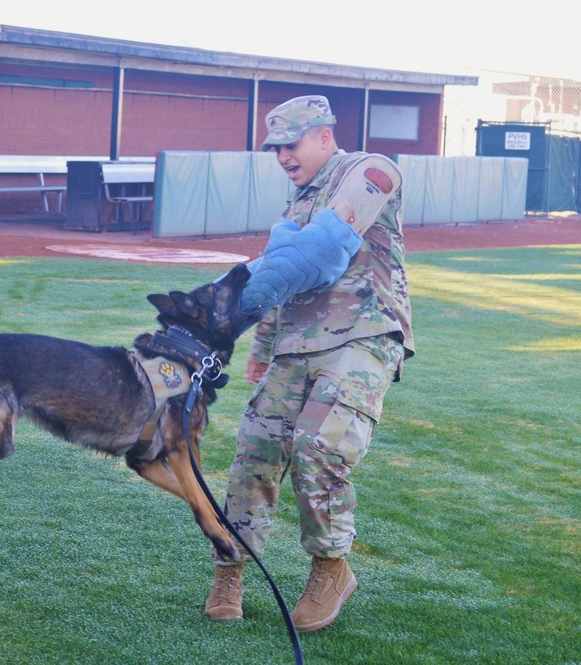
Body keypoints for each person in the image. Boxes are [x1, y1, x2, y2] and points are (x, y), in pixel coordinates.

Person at [204, 95, 415, 632]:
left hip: (362, 335)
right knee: (255, 447)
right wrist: (260, 343)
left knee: (319, 445)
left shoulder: (371, 171)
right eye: (275, 147)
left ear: (324, 135)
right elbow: (286, 278)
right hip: (298, 344)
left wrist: (221, 311)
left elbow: (317, 254)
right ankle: (230, 569)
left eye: (290, 144)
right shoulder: (295, 204)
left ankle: (330, 567)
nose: (281, 156)